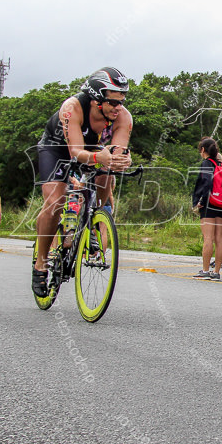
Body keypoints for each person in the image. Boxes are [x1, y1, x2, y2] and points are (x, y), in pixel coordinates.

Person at [32, 67, 133, 297]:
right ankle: (40, 262)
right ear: (97, 100)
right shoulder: (72, 107)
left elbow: (116, 151)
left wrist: (121, 159)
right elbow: (75, 152)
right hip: (57, 148)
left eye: (122, 102)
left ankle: (92, 221)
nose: (119, 108)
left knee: (107, 172)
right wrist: (100, 157)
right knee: (55, 203)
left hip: (90, 148)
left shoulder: (124, 117)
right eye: (113, 103)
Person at [191, 137, 222, 281]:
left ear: (203, 150)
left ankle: (205, 270)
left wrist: (200, 200)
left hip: (209, 203)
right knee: (219, 238)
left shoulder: (206, 164)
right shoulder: (221, 164)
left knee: (208, 238)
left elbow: (206, 182)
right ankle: (216, 272)